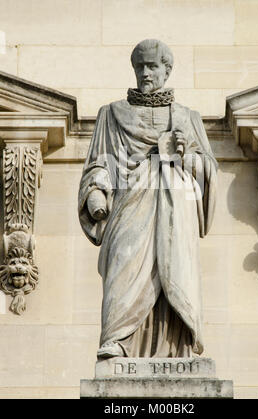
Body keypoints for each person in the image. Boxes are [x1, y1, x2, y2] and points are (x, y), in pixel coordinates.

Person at [78, 39, 217, 359]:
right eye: (139, 66)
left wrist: (185, 156)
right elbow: (99, 163)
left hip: (175, 208)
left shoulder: (187, 117)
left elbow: (207, 171)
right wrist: (96, 191)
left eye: (152, 66)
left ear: (167, 70)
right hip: (128, 206)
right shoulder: (111, 114)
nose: (145, 72)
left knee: (174, 269)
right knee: (124, 268)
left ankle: (175, 348)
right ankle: (117, 339)